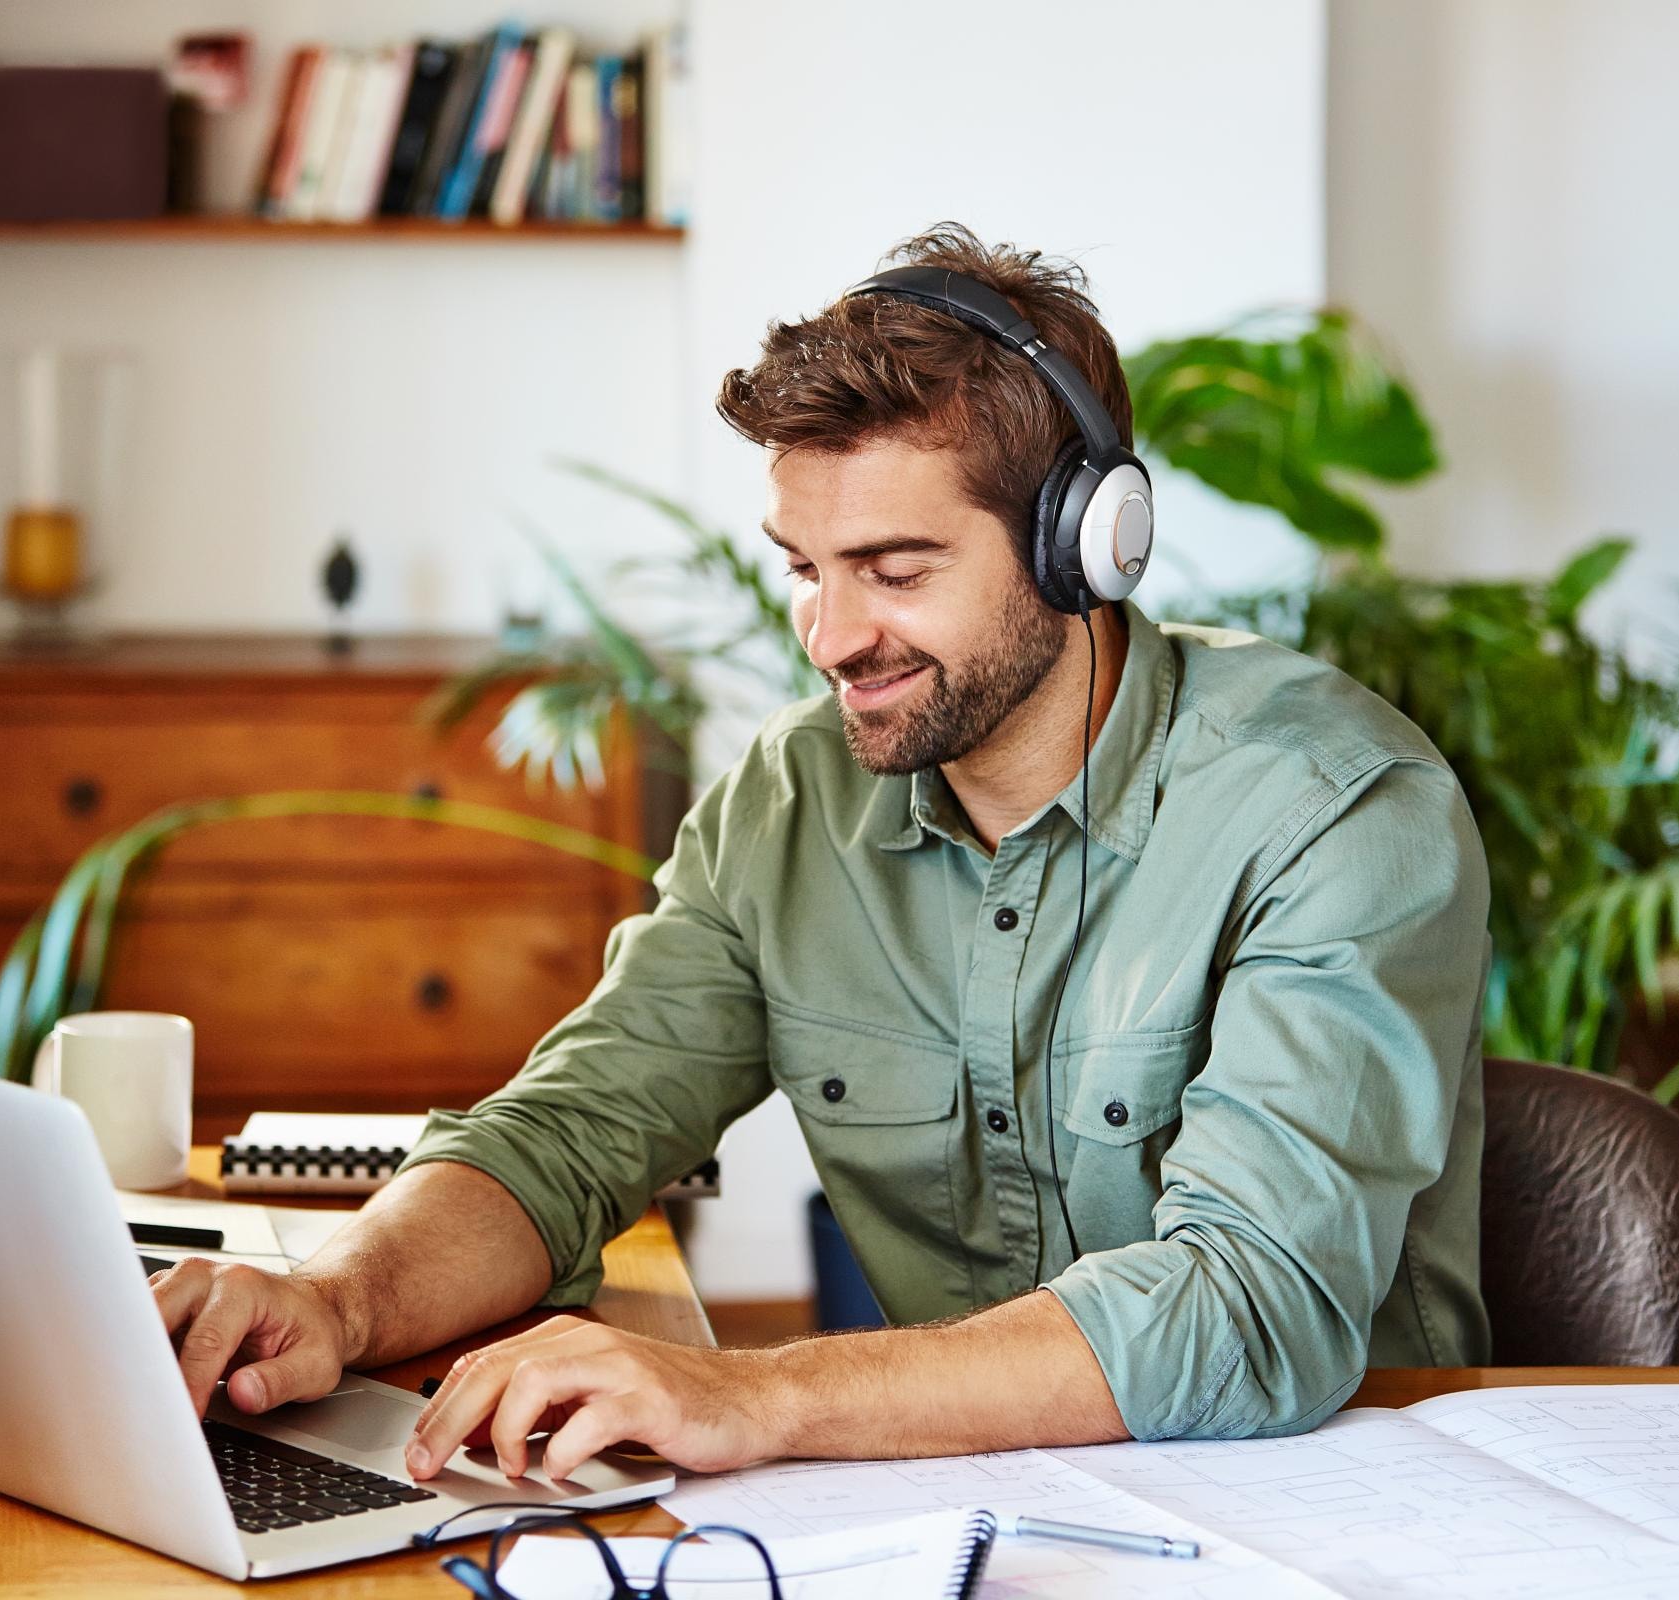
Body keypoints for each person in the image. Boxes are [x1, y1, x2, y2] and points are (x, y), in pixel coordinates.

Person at [153, 223, 1492, 1485]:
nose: (832, 638)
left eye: (896, 572)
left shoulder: (1335, 808)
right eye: (805, 568)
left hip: (1330, 1510)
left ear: (1083, 549)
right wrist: (339, 1299)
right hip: (970, 1503)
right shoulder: (793, 799)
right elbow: (569, 1133)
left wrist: (760, 1392)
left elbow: (1250, 1304)